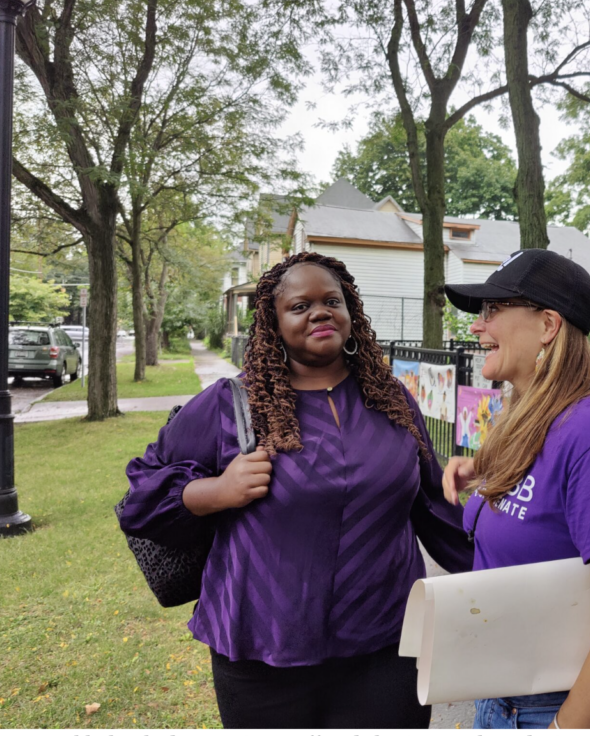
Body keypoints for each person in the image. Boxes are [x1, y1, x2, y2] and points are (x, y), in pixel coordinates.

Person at [117, 252, 472, 729]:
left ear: (351, 313)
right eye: (300, 306)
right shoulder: (230, 405)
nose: (320, 312)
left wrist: (514, 560)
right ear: (273, 323)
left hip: (388, 643)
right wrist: (216, 490)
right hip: (263, 649)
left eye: (332, 301)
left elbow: (434, 507)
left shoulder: (392, 400)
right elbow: (142, 491)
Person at [441, 249, 590, 730]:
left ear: (547, 325)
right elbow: (542, 495)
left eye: (494, 311)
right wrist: (478, 470)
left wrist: (565, 728)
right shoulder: (526, 423)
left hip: (560, 710)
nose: (478, 328)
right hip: (502, 698)